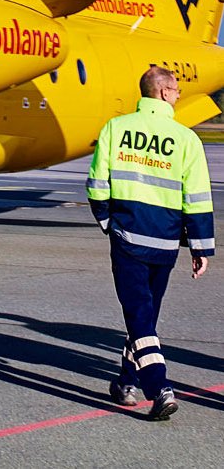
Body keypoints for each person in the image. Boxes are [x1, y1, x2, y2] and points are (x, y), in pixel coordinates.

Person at [87, 65, 214, 420]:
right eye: (175, 91)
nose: (177, 96)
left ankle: (157, 388)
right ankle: (131, 382)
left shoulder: (116, 128)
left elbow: (97, 183)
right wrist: (201, 248)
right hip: (165, 243)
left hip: (127, 238)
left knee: (141, 319)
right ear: (162, 93)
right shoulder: (187, 139)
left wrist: (107, 221)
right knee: (145, 315)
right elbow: (198, 199)